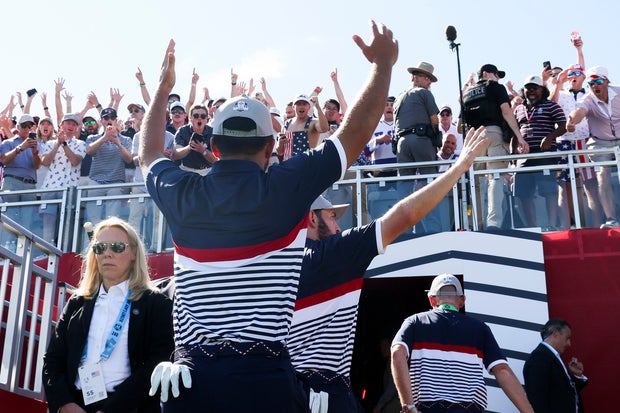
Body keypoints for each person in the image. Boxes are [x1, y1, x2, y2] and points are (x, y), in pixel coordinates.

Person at [142, 21, 398, 413]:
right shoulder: (286, 186)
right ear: (268, 148)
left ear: (213, 145)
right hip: (266, 382)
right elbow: (356, 132)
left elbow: (148, 155)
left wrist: (162, 89)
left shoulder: (182, 192)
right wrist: (382, 65)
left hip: (192, 383)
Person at [288, 127, 489, 413]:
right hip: (324, 396)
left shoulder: (274, 262)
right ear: (311, 220)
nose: (337, 226)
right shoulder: (334, 254)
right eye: (332, 216)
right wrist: (458, 169)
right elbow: (404, 215)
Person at [42, 217, 175, 413]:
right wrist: (65, 405)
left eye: (117, 247)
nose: (107, 254)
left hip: (129, 407)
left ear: (133, 253)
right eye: (100, 248)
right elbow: (53, 360)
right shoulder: (77, 303)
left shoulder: (156, 303)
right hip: (76, 405)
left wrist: (113, 409)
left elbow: (160, 360)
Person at [391, 274, 535, 413]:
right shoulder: (480, 328)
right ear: (462, 301)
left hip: (427, 408)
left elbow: (397, 354)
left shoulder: (415, 322)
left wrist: (409, 406)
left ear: (432, 300)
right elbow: (502, 371)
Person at [461, 63, 529, 230]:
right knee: (496, 178)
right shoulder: (496, 87)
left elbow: (459, 125)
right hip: (493, 133)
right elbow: (506, 112)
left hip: (473, 137)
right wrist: (519, 137)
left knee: (475, 182)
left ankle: (475, 223)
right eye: (496, 74)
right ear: (486, 74)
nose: (498, 78)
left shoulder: (466, 93)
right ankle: (493, 223)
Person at [566, 66, 620, 228]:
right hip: (599, 141)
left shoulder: (618, 93)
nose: (595, 85)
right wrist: (572, 122)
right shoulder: (587, 99)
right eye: (591, 82)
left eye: (599, 81)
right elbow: (580, 111)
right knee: (602, 175)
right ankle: (611, 219)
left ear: (607, 82)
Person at [513, 75, 567, 230]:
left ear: (542, 90)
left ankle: (551, 224)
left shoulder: (551, 105)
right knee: (523, 193)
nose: (531, 91)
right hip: (524, 157)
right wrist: (512, 154)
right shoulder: (518, 109)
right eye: (528, 88)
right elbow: (514, 133)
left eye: (535, 88)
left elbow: (563, 125)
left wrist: (550, 138)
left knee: (549, 190)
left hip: (545, 154)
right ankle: (532, 227)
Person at [523, 318, 588, 413]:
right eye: (567, 338)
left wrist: (577, 376)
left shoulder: (549, 357)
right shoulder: (538, 360)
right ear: (555, 334)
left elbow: (563, 393)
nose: (569, 344)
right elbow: (537, 402)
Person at [39, 113, 86, 242]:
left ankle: (63, 252)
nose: (70, 126)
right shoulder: (49, 143)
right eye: (68, 123)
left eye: (74, 124)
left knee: (67, 221)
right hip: (50, 187)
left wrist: (64, 144)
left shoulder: (81, 144)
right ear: (61, 125)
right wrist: (57, 144)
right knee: (48, 221)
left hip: (70, 188)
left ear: (77, 127)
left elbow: (75, 161)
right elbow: (45, 161)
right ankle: (46, 250)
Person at [85, 108, 134, 224]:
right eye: (106, 118)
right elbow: (89, 151)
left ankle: (110, 242)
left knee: (112, 220)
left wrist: (118, 143)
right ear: (101, 121)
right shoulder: (93, 138)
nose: (109, 120)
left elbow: (129, 159)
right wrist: (104, 138)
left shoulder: (125, 139)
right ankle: (91, 242)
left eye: (112, 118)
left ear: (116, 120)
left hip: (115, 182)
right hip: (96, 180)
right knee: (92, 220)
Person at [394, 61, 440, 179]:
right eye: (427, 78)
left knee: (404, 182)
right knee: (430, 179)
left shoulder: (399, 97)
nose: (430, 82)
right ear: (416, 78)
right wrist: (435, 137)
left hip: (401, 143)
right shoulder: (424, 93)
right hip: (421, 140)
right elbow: (434, 119)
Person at [0, 114, 41, 233]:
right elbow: (4, 160)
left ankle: (22, 249)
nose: (28, 129)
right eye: (24, 126)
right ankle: (7, 246)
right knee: (10, 218)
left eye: (30, 126)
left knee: (27, 222)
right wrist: (21, 148)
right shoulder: (8, 142)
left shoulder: (36, 144)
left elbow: (37, 165)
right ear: (18, 127)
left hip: (30, 185)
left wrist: (34, 152)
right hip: (12, 182)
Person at [171, 104, 217, 175]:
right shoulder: (183, 131)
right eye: (196, 116)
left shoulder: (213, 133)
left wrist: (203, 151)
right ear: (190, 118)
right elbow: (175, 154)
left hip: (207, 171)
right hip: (186, 170)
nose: (199, 118)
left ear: (206, 120)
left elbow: (216, 160)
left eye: (203, 116)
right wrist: (189, 147)